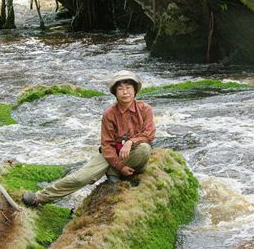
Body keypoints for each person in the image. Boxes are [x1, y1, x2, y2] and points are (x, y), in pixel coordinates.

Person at [23, 70, 156, 206]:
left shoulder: (145, 109)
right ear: (116, 93)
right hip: (111, 154)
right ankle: (40, 197)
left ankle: (112, 172)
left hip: (134, 154)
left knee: (144, 148)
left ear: (135, 91)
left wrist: (130, 142)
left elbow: (149, 133)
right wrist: (120, 166)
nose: (125, 92)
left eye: (128, 88)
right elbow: (107, 145)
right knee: (81, 178)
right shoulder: (109, 114)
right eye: (120, 89)